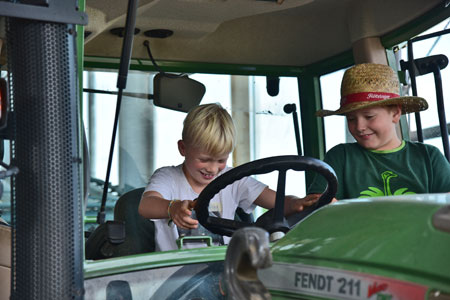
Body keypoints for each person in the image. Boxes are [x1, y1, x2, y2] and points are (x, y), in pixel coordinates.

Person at [138, 103, 317, 251]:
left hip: (221, 271)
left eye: (221, 160)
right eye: (204, 160)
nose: (213, 169)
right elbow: (146, 205)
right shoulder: (168, 177)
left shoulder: (233, 179)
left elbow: (277, 201)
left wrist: (296, 203)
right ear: (183, 149)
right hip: (172, 278)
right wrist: (172, 208)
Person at [307, 63, 450, 200]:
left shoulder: (429, 157)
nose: (359, 127)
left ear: (395, 114)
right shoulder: (341, 157)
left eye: (369, 116)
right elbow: (316, 205)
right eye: (351, 119)